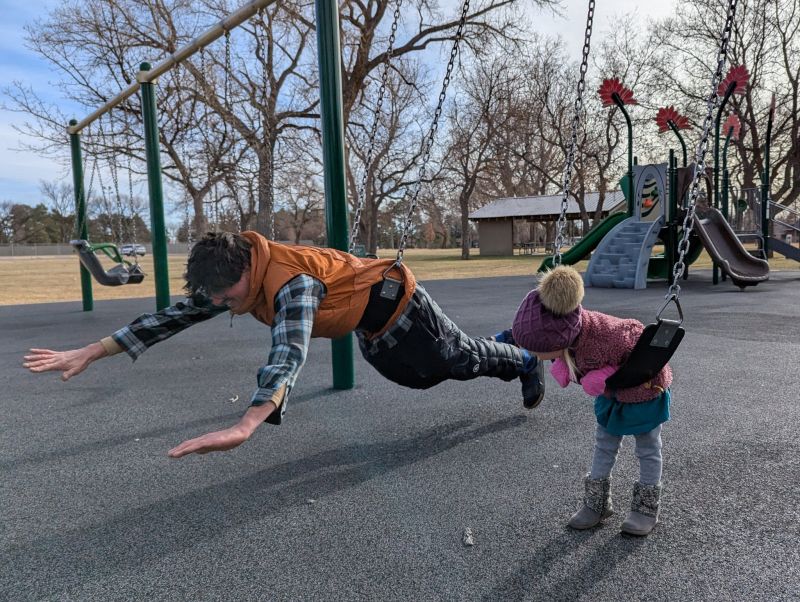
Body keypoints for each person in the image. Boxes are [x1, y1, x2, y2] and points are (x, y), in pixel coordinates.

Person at [24, 231, 545, 459]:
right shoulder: (235, 278)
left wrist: (247, 422)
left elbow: (289, 349)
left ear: (246, 272)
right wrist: (93, 350)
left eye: (229, 298)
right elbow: (173, 316)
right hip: (370, 325)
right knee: (420, 378)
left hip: (401, 302)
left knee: (452, 360)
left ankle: (519, 356)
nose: (227, 307)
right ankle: (491, 347)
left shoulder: (290, 283)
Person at [511, 266, 671, 536]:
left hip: (645, 390)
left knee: (648, 449)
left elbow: (636, 337)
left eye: (539, 351)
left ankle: (645, 509)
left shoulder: (604, 334)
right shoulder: (569, 335)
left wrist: (605, 373)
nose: (534, 355)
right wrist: (568, 366)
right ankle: (596, 504)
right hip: (612, 397)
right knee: (604, 446)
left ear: (558, 339)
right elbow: (577, 361)